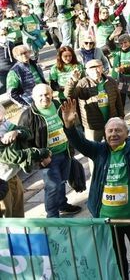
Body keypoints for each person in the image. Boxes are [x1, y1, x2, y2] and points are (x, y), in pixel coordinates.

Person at [62, 99, 130, 280]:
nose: (114, 134)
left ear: (126, 133)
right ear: (104, 134)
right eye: (110, 130)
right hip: (109, 219)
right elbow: (80, 144)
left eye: (118, 130)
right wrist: (70, 126)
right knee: (118, 257)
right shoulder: (99, 150)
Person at [17, 84, 82, 217]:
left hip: (65, 151)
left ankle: (62, 204)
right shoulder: (28, 116)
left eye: (47, 94)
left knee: (62, 181)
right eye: (40, 95)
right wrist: (40, 158)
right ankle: (52, 216)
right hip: (48, 158)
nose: (44, 97)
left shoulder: (58, 105)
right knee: (52, 187)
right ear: (33, 97)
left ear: (52, 94)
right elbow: (24, 143)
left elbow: (67, 125)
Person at [0, 104, 51, 217]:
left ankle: (20, 234)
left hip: (13, 176)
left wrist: (16, 132)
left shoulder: (4, 124)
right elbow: (12, 156)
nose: (3, 122)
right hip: (2, 182)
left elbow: (27, 132)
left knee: (19, 214)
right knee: (6, 217)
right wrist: (38, 153)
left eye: (3, 118)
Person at [65, 59, 124, 141]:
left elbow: (118, 100)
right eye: (92, 68)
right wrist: (73, 81)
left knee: (114, 146)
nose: (95, 71)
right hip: (93, 125)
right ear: (87, 71)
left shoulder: (110, 81)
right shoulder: (83, 83)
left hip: (111, 122)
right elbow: (69, 95)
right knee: (93, 150)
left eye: (98, 67)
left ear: (102, 68)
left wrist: (121, 116)